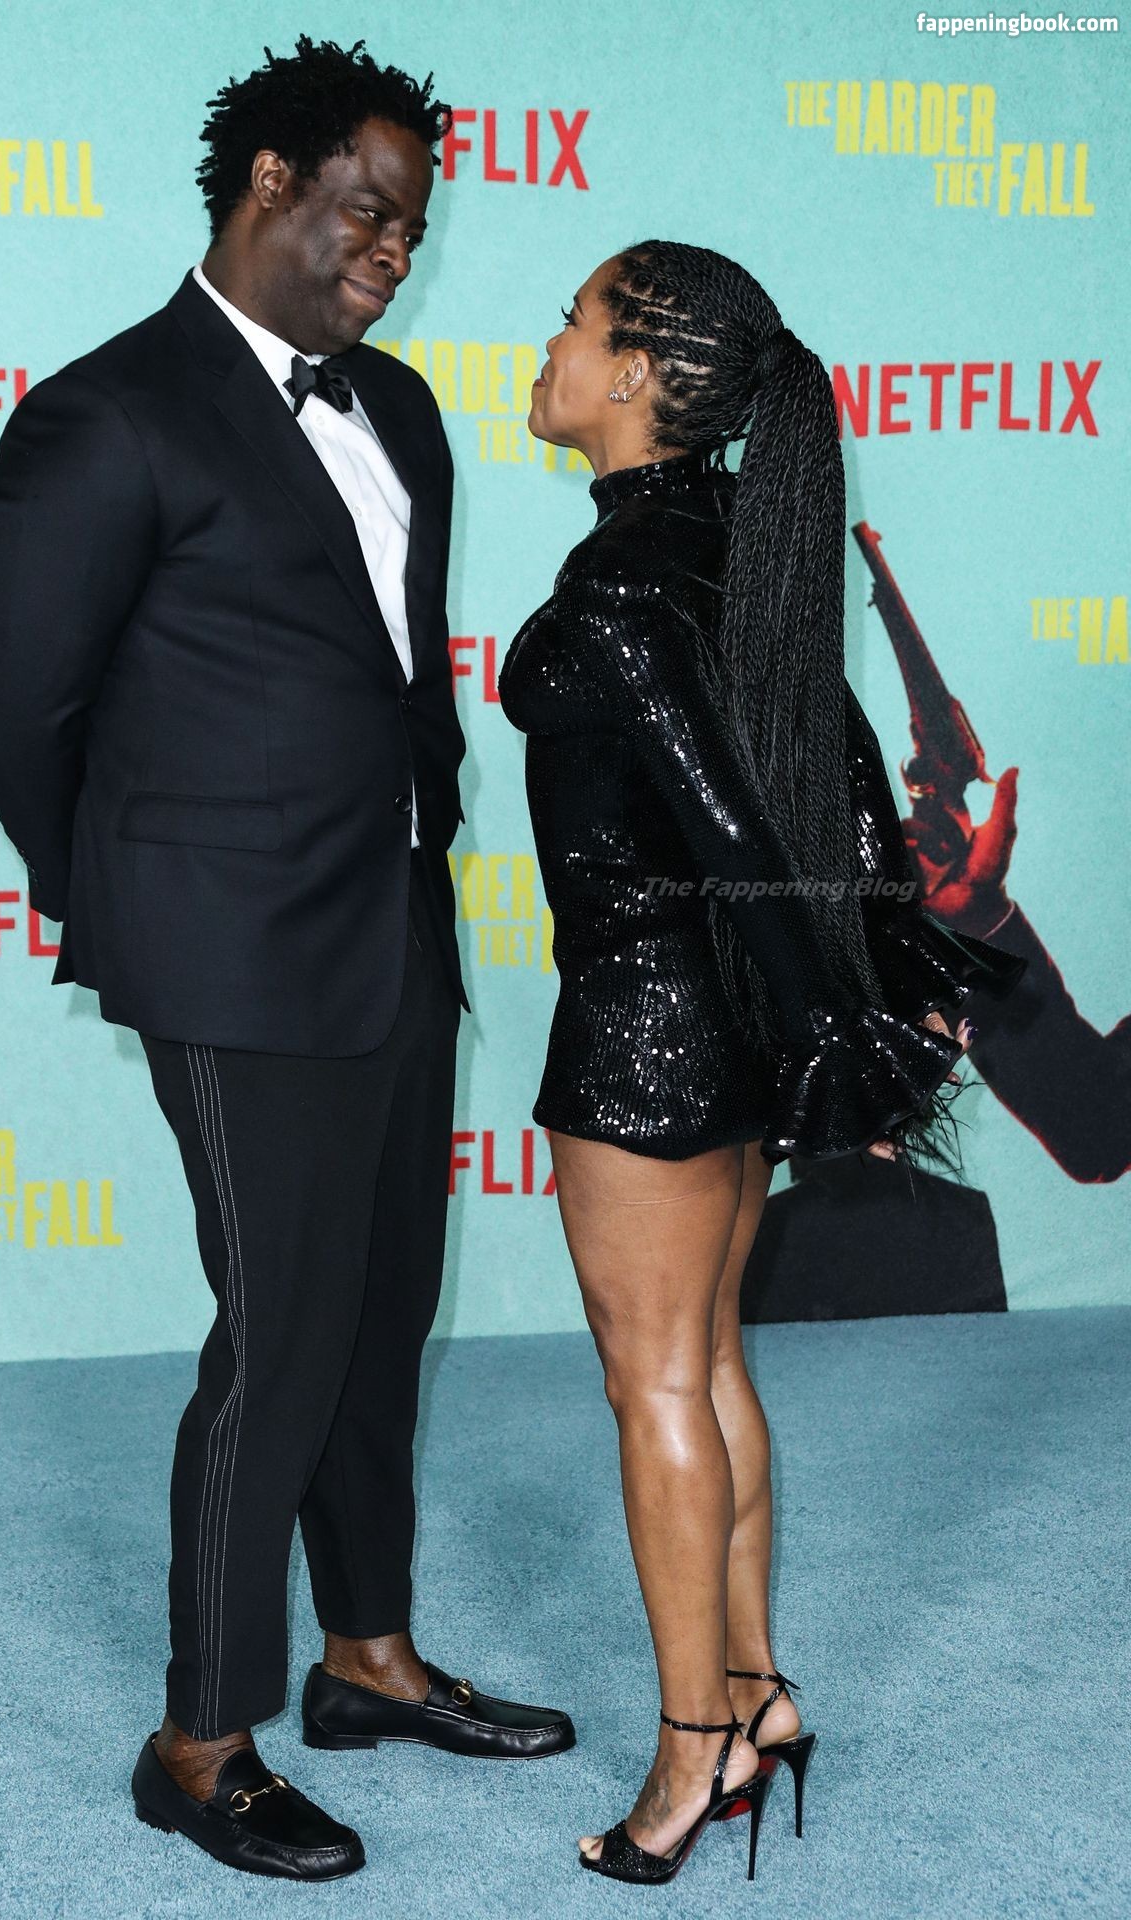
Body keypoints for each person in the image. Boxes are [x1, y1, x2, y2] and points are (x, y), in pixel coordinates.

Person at [0, 36, 572, 1887]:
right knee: (281, 1336)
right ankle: (201, 1740)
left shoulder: (404, 410)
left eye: (416, 227)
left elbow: (396, 671)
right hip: (229, 955)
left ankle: (367, 1660)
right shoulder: (109, 413)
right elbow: (11, 709)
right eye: (369, 211)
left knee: (382, 1315)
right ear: (270, 184)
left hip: (391, 924)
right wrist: (136, 899)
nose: (394, 249)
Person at [497, 241, 1025, 1887]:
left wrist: (839, 1027)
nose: (549, 349)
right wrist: (844, 1000)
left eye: (575, 323)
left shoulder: (623, 584)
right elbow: (836, 784)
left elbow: (737, 826)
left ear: (637, 375)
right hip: (718, 1023)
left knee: (657, 1382)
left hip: (647, 1032)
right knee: (710, 1361)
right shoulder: (737, 540)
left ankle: (693, 1750)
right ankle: (753, 1695)